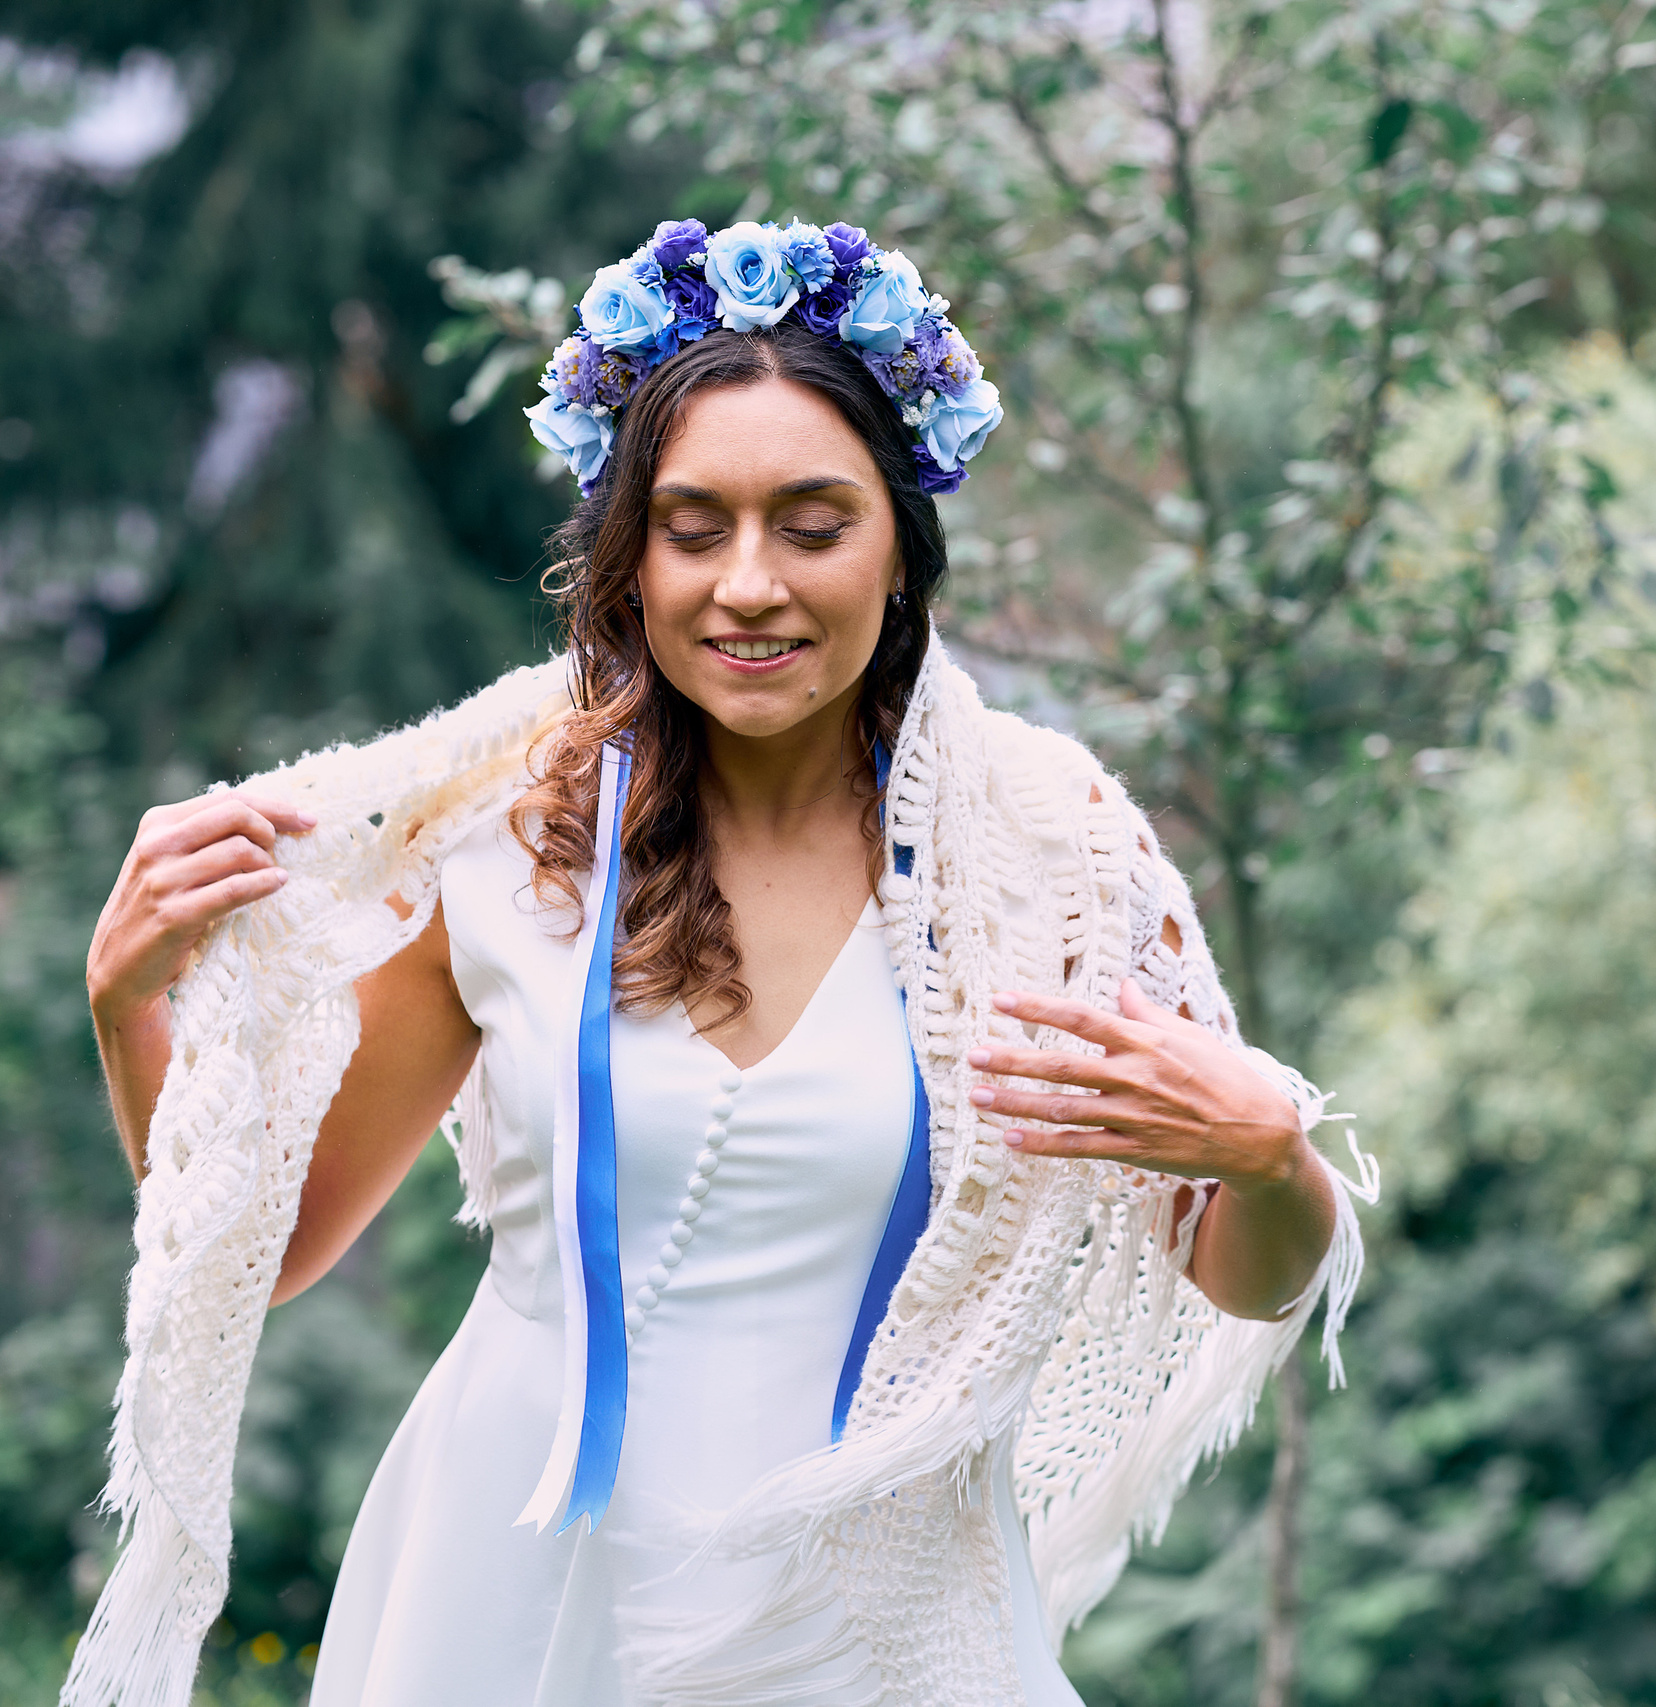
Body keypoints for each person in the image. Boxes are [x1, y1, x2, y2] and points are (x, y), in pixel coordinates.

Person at [68, 218, 1373, 1707]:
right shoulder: (499, 840)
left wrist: (1272, 1162)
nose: (748, 584)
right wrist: (127, 1011)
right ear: (630, 560)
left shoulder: (1047, 857)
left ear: (902, 548)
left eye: (812, 526)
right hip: (508, 1585)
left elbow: (1240, 1274)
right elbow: (280, 1244)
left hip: (872, 1612)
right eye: (694, 528)